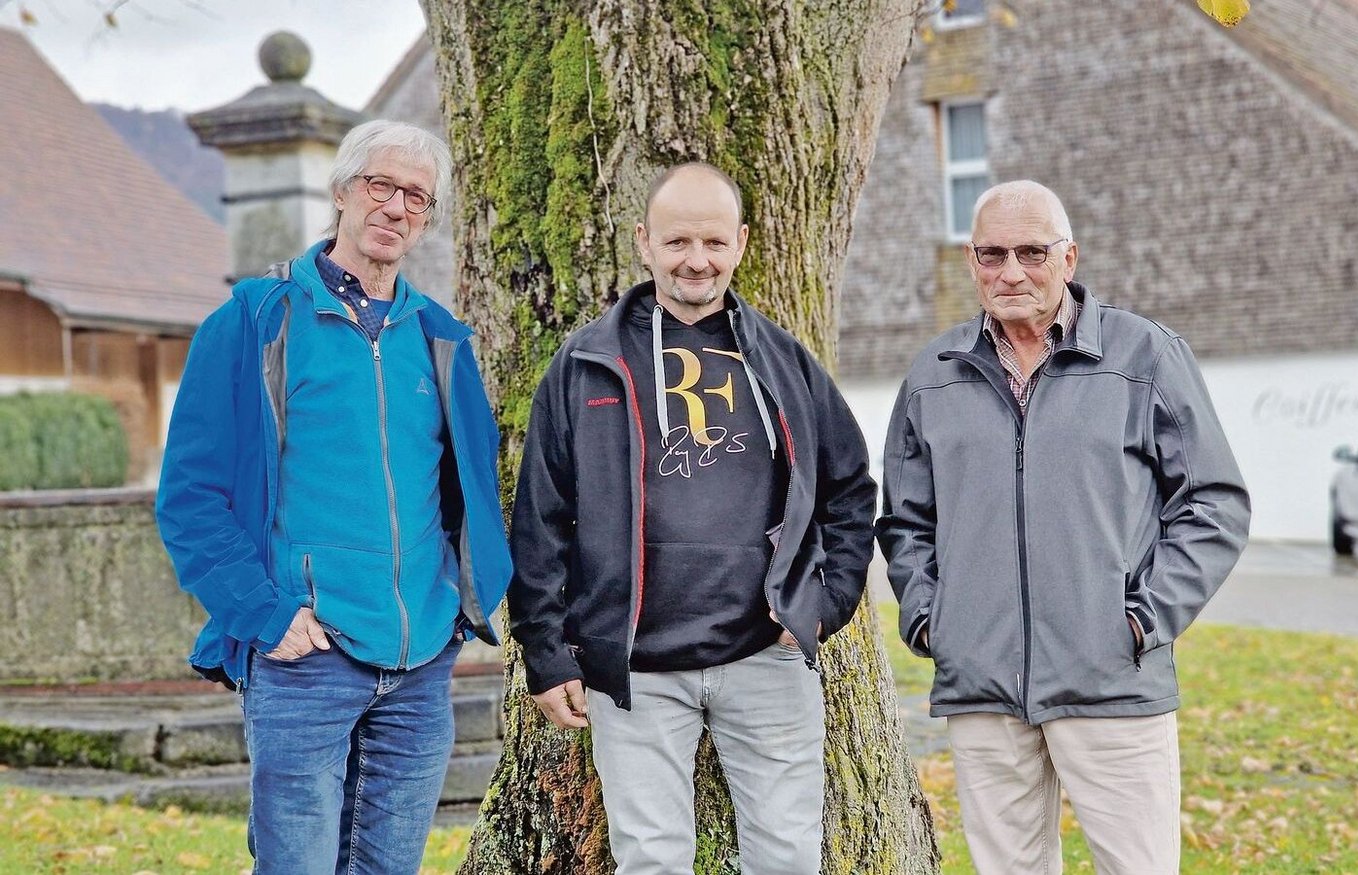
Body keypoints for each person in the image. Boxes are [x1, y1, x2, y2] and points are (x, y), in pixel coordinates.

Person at [156, 120, 511, 874]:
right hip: (304, 658)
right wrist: (265, 614)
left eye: (417, 196)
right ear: (343, 191)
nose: (396, 206)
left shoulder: (442, 339)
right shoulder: (257, 319)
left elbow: (471, 488)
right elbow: (189, 497)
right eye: (381, 185)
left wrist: (457, 606)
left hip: (420, 663)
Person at [508, 162, 876, 874]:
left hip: (766, 658)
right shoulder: (585, 363)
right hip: (634, 668)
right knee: (650, 861)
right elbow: (539, 519)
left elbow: (850, 489)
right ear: (644, 243)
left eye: (713, 241)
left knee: (789, 858)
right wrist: (546, 652)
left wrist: (823, 606)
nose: (696, 260)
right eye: (677, 241)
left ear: (740, 242)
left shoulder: (785, 361)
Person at [877, 180, 1250, 874]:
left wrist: (1139, 620)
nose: (1011, 271)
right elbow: (904, 520)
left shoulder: (1145, 357)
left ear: (1069, 257)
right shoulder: (934, 375)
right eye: (992, 254)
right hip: (984, 685)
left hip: (1113, 679)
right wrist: (934, 620)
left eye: (1031, 251)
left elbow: (1213, 502)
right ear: (972, 262)